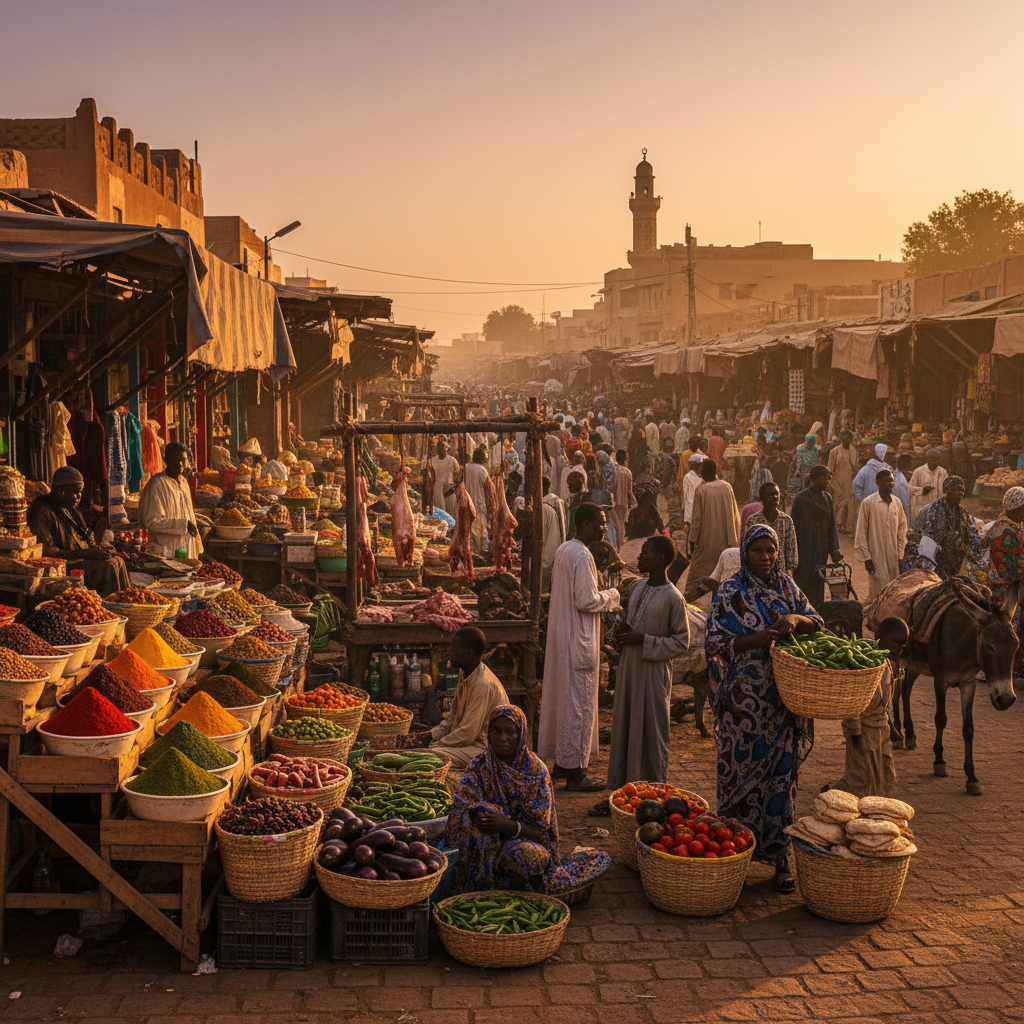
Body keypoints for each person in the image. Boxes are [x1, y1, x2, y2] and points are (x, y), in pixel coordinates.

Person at [705, 523, 824, 892]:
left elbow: (817, 624)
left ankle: (779, 859)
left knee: (781, 784)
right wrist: (754, 640)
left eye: (771, 550)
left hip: (781, 704)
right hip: (743, 707)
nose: (766, 557)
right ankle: (734, 857)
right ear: (744, 553)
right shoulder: (729, 591)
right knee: (736, 779)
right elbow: (713, 642)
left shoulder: (787, 586)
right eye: (758, 551)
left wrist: (794, 619)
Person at [596, 536, 690, 808]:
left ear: (660, 560)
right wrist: (619, 634)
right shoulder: (637, 587)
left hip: (653, 673)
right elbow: (625, 621)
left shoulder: (674, 598)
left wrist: (644, 640)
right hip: (629, 669)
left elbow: (681, 642)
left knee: (650, 730)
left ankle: (650, 795)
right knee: (625, 726)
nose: (638, 558)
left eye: (644, 554)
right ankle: (621, 794)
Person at [538, 502, 621, 791]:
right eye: (599, 522)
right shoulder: (581, 555)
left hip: (565, 639)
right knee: (580, 706)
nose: (604, 527)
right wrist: (614, 594)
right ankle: (576, 774)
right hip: (579, 641)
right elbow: (586, 600)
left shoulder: (565, 549)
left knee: (567, 701)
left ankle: (563, 763)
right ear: (584, 524)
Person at [446, 705, 560, 895]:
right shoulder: (479, 766)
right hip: (486, 842)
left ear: (521, 734)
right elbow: (459, 810)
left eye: (510, 732)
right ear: (488, 734)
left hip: (523, 841)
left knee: (528, 855)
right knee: (475, 821)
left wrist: (505, 825)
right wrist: (483, 815)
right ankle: (479, 893)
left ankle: (534, 898)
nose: (502, 738)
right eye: (496, 731)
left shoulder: (535, 771)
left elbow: (541, 834)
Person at [387, 627, 508, 768]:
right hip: (469, 744)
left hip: (485, 748)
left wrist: (434, 744)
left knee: (430, 755)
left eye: (454, 649)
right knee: (426, 751)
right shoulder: (465, 674)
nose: (450, 654)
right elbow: (452, 719)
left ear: (468, 654)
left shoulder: (483, 685)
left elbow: (466, 734)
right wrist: (430, 735)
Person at [832, 617, 907, 798]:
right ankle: (831, 795)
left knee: (885, 778)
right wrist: (855, 735)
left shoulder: (887, 662)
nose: (900, 648)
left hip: (882, 732)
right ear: (880, 636)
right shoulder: (864, 663)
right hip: (862, 732)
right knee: (860, 779)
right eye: (896, 642)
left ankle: (877, 816)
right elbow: (853, 702)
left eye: (903, 645)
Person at [28, 466, 131, 596]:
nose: (79, 497)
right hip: (61, 567)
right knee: (106, 567)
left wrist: (99, 549)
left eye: (80, 492)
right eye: (76, 492)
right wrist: (85, 553)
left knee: (118, 561)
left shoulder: (70, 508)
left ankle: (125, 603)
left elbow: (85, 537)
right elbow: (47, 552)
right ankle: (109, 607)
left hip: (77, 558)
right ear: (61, 491)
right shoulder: (42, 512)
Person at [138, 441, 203, 559]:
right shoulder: (157, 484)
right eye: (175, 460)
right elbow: (151, 521)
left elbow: (188, 513)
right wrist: (183, 525)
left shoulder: (183, 482)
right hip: (167, 550)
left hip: (186, 547)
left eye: (183, 460)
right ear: (166, 460)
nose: (179, 464)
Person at [790, 465, 842, 608]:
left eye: (826, 479)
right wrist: (793, 552)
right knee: (804, 580)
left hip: (821, 548)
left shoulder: (828, 498)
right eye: (821, 479)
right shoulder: (801, 498)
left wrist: (834, 550)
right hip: (804, 548)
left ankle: (817, 609)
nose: (825, 482)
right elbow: (793, 526)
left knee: (819, 579)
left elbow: (831, 525)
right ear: (813, 480)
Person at [854, 469, 908, 602]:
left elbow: (902, 530)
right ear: (878, 482)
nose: (890, 483)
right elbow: (861, 531)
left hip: (894, 555)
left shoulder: (897, 502)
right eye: (886, 480)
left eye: (892, 480)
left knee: (895, 590)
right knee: (878, 592)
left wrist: (901, 554)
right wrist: (867, 558)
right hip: (876, 555)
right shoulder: (868, 503)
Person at [914, 476, 981, 579]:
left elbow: (971, 528)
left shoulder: (960, 510)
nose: (961, 493)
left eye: (963, 490)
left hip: (950, 551)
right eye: (957, 489)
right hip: (930, 551)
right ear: (948, 490)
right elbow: (935, 535)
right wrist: (957, 539)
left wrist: (972, 542)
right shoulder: (936, 509)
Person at [687, 458, 740, 579]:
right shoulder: (727, 487)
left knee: (697, 577)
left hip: (707, 542)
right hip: (726, 541)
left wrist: (692, 541)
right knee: (723, 576)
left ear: (705, 473)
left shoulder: (701, 490)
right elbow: (735, 516)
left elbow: (696, 521)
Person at [746, 482, 798, 574]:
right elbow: (747, 548)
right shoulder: (753, 521)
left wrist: (789, 572)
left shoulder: (786, 520)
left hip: (780, 572)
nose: (774, 497)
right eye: (769, 494)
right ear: (762, 498)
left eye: (776, 494)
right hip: (758, 570)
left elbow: (791, 549)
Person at [463, 447, 494, 555]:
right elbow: (490, 493)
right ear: (483, 459)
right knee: (479, 538)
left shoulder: (466, 468)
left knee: (468, 536)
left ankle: (471, 556)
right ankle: (478, 557)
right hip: (479, 507)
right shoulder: (482, 470)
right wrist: (492, 511)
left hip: (466, 506)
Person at [827, 430, 859, 533]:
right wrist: (833, 484)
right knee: (838, 506)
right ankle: (837, 526)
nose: (847, 442)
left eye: (849, 440)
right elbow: (830, 470)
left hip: (850, 483)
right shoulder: (834, 452)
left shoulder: (854, 451)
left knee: (849, 506)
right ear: (841, 440)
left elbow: (855, 468)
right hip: (838, 483)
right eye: (845, 440)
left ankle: (847, 526)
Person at [909, 449, 948, 525]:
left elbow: (947, 490)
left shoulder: (943, 472)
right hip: (923, 509)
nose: (935, 460)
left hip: (938, 510)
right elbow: (909, 488)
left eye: (937, 458)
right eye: (933, 458)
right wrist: (922, 490)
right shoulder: (918, 471)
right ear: (928, 458)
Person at [541, 477, 565, 591]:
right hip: (558, 550)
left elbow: (542, 533)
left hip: (546, 555)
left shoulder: (544, 506)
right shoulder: (558, 501)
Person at [610, 449, 636, 550]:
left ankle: (615, 547)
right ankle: (619, 548)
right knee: (621, 526)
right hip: (624, 503)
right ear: (625, 459)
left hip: (613, 503)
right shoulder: (627, 472)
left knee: (614, 526)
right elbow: (629, 491)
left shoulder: (613, 471)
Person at [431, 439, 459, 516]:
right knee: (441, 513)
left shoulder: (452, 460)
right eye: (438, 446)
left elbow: (457, 473)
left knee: (451, 513)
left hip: (449, 490)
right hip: (438, 490)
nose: (440, 448)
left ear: (447, 448)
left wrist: (455, 486)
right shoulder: (433, 460)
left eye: (443, 446)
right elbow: (432, 476)